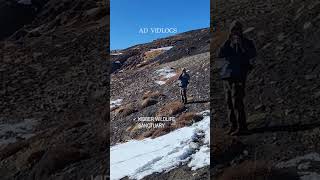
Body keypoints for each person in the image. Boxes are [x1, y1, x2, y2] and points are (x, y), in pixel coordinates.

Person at [217, 20, 257, 135]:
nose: (236, 32)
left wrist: (242, 44)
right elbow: (220, 54)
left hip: (239, 75)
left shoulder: (247, 42)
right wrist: (227, 40)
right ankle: (233, 126)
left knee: (237, 101)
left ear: (241, 31)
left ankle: (242, 127)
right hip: (227, 76)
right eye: (233, 30)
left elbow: (252, 54)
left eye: (238, 30)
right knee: (229, 102)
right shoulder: (228, 43)